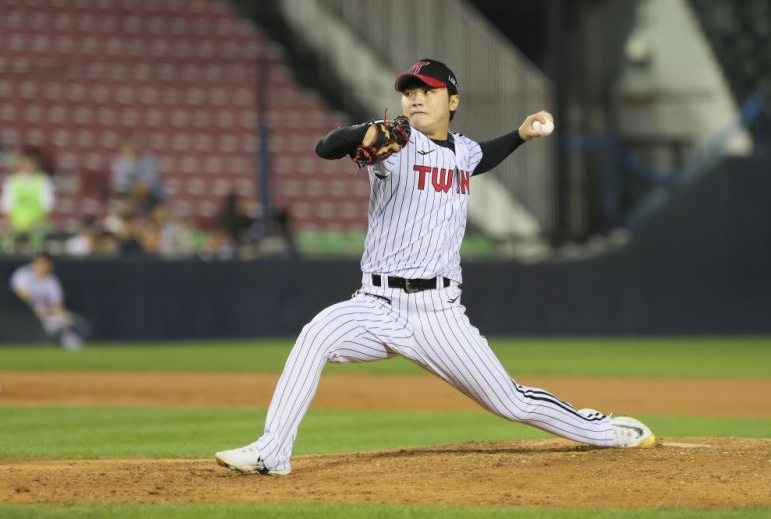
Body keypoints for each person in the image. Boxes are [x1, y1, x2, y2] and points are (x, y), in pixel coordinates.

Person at [215, 59, 655, 476]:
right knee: (317, 334)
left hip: (438, 314)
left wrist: (520, 135)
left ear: (453, 101)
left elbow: (480, 156)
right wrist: (362, 132)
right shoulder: (395, 144)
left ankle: (603, 430)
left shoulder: (462, 151)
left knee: (511, 402)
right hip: (376, 303)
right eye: (409, 92)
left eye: (428, 91)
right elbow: (326, 147)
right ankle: (272, 452)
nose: (416, 98)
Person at [10, 252, 84, 350]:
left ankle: (67, 339)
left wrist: (62, 315)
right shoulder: (23, 274)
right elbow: (21, 294)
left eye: (47, 263)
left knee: (59, 322)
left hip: (45, 315)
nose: (44, 266)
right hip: (21, 313)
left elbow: (57, 304)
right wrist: (37, 309)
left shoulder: (52, 281)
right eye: (41, 263)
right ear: (35, 263)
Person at [0, 151, 55, 254]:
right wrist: (11, 225)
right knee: (11, 251)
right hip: (15, 227)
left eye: (31, 164)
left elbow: (47, 207)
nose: (29, 167)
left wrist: (35, 225)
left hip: (37, 227)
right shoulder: (12, 181)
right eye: (26, 163)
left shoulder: (43, 181)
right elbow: (5, 206)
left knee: (37, 252)